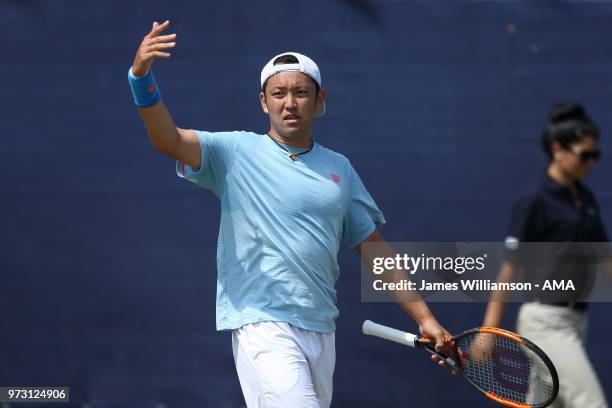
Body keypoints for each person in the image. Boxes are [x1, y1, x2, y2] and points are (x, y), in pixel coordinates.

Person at [128, 20, 452, 407]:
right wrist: (140, 76)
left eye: (301, 92)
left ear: (319, 101)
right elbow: (167, 139)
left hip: (319, 326)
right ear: (264, 102)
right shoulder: (233, 152)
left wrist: (425, 318)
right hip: (261, 323)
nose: (290, 102)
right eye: (278, 93)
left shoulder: (341, 169)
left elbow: (375, 251)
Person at [481, 102, 608, 408]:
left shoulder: (585, 198)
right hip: (545, 323)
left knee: (546, 403)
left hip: (577, 321)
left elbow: (605, 259)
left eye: (596, 156)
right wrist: (488, 331)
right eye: (584, 155)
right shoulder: (535, 200)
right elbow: (509, 270)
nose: (590, 163)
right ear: (557, 149)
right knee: (590, 403)